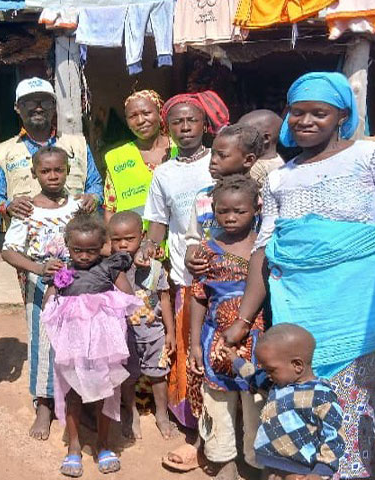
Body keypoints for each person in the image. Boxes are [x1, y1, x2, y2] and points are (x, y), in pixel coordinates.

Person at [227, 71, 375, 479]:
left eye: (319, 113)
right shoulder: (279, 178)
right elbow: (264, 251)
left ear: (343, 114)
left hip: (357, 313)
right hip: (300, 311)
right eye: (296, 113)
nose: (305, 121)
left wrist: (362, 260)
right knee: (297, 409)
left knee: (350, 412)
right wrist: (243, 318)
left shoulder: (373, 157)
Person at [137, 91, 229, 472]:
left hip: (228, 281)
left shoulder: (221, 162)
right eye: (177, 122)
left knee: (223, 355)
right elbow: (158, 224)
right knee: (191, 357)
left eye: (192, 120)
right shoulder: (164, 173)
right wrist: (145, 249)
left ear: (204, 124)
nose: (185, 127)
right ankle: (196, 433)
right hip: (185, 279)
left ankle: (225, 435)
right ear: (167, 127)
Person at [41, 212, 141, 477]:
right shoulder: (61, 273)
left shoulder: (110, 267)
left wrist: (103, 301)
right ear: (67, 246)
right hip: (73, 345)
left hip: (103, 344)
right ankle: (73, 447)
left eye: (91, 250)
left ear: (102, 246)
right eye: (77, 250)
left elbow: (128, 296)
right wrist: (59, 296)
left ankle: (103, 444)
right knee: (72, 394)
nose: (84, 256)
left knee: (105, 391)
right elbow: (48, 305)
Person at [188, 175, 265, 479]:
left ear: (255, 210)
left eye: (239, 211)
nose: (230, 218)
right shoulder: (207, 249)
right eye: (223, 212)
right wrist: (195, 342)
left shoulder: (265, 245)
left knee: (257, 401)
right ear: (214, 211)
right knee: (218, 401)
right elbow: (198, 296)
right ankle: (224, 461)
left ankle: (258, 461)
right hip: (216, 340)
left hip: (258, 342)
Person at [0, 146, 80, 441]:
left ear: (68, 171)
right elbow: (9, 251)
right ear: (34, 174)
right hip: (40, 287)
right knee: (43, 345)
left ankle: (77, 403)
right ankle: (44, 405)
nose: (53, 176)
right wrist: (37, 268)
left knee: (77, 342)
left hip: (77, 287)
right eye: (45, 171)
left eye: (59, 170)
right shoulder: (27, 210)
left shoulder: (77, 206)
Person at [219, 324, 346, 480]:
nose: (267, 374)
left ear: (297, 365)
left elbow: (334, 437)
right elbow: (252, 375)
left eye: (271, 370)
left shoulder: (321, 396)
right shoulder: (276, 384)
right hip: (271, 465)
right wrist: (235, 360)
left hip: (300, 471)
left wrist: (319, 472)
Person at [0, 77, 103, 231]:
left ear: (54, 106)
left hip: (76, 242)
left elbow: (95, 184)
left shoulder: (78, 145)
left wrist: (93, 198)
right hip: (25, 244)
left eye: (46, 102)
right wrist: (8, 207)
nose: (39, 108)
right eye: (29, 102)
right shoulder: (1, 153)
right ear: (17, 107)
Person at [108, 211, 175, 440]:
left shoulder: (155, 266)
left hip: (154, 333)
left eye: (129, 238)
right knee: (128, 377)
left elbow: (165, 299)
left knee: (158, 375)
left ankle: (162, 414)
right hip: (124, 336)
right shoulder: (111, 269)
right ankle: (131, 412)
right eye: (116, 240)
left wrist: (170, 333)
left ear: (142, 235)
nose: (123, 244)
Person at [183, 124, 264, 278]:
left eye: (222, 155)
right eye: (212, 154)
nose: (213, 161)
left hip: (248, 278)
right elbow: (194, 237)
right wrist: (191, 256)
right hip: (212, 280)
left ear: (248, 160)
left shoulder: (260, 198)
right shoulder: (204, 197)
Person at [103, 90, 177, 224]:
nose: (140, 121)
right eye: (133, 116)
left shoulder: (181, 148)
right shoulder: (117, 157)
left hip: (179, 239)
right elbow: (110, 209)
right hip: (136, 241)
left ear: (160, 114)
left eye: (146, 113)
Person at [238, 109, 285, 185]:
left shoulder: (255, 169)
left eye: (243, 134)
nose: (236, 138)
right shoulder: (279, 162)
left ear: (266, 138)